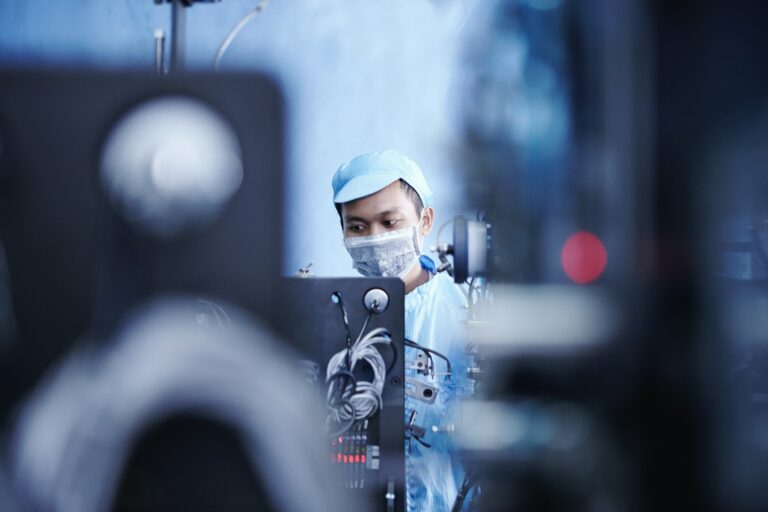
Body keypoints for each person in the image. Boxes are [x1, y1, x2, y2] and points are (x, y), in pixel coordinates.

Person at [331, 149, 471, 511]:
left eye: (389, 223)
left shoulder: (466, 313)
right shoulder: (334, 319)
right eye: (357, 227)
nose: (374, 238)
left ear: (425, 222)